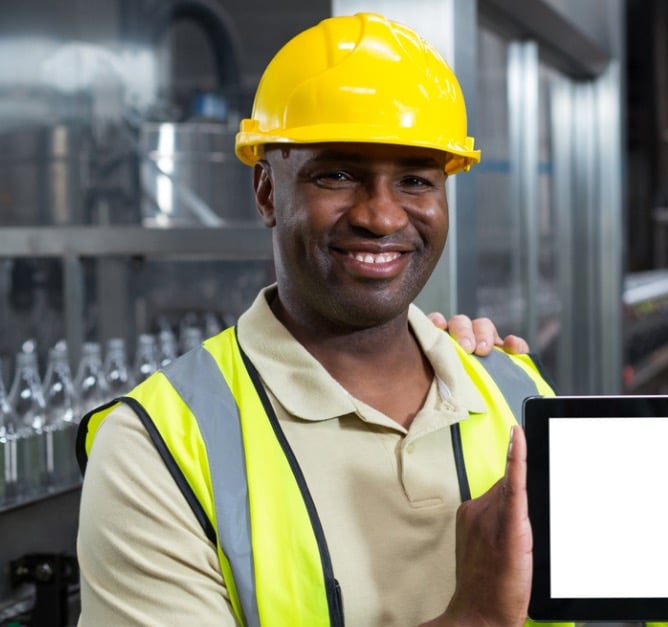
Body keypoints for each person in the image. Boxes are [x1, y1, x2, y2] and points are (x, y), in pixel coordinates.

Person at [75, 13, 555, 626]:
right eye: (338, 175)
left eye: (414, 179)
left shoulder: (517, 393)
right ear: (268, 192)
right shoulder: (160, 446)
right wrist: (475, 618)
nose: (381, 217)